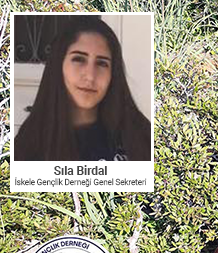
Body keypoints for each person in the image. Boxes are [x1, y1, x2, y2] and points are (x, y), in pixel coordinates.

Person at [14, 16, 151, 161]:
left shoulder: (139, 136)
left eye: (102, 63)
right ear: (58, 65)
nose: (90, 76)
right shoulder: (29, 145)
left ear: (113, 73)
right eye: (79, 59)